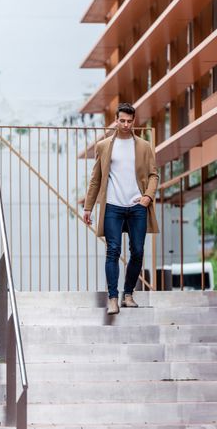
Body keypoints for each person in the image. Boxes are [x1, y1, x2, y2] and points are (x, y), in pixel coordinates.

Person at [83, 103, 159, 315]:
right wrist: (88, 207)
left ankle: (128, 295)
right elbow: (96, 179)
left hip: (137, 207)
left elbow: (154, 175)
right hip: (112, 207)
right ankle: (113, 298)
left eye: (129, 121)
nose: (126, 125)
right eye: (122, 120)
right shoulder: (104, 146)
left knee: (137, 252)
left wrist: (147, 197)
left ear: (134, 121)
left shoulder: (144, 146)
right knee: (113, 251)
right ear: (116, 120)